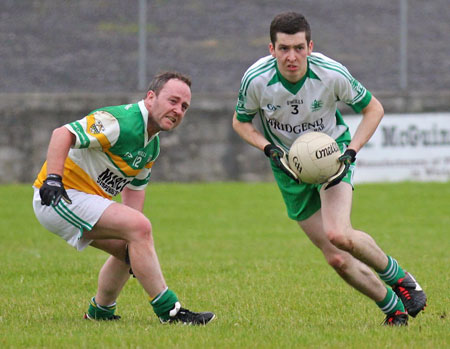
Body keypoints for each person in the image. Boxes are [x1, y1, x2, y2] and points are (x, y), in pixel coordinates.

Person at [232, 12, 426, 326]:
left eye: (298, 47)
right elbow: (240, 121)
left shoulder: (331, 73)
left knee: (339, 233)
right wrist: (268, 149)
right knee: (336, 257)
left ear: (310, 46)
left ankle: (402, 279)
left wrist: (351, 151)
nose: (291, 56)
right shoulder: (256, 80)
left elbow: (373, 108)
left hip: (331, 158)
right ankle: (393, 310)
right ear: (271, 49)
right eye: (283, 49)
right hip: (288, 170)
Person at [33, 71, 215, 325]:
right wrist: (53, 178)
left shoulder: (151, 146)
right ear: (151, 98)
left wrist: (136, 240)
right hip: (59, 197)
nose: (178, 110)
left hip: (84, 201)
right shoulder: (119, 121)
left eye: (184, 106)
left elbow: (135, 196)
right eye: (172, 101)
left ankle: (100, 311)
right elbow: (61, 134)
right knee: (138, 229)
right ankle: (170, 312)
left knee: (131, 245)